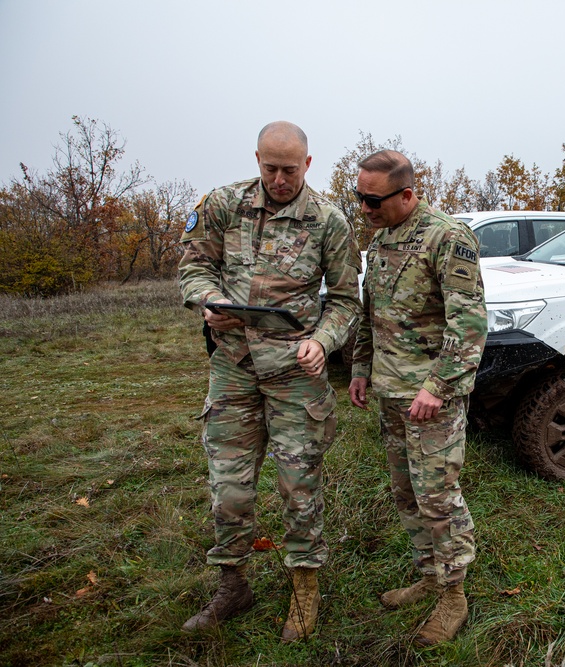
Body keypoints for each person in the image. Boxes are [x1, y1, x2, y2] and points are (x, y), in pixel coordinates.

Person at [177, 121, 361, 641]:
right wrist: (208, 301)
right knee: (228, 488)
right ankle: (232, 584)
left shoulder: (328, 220)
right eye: (270, 168)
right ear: (256, 159)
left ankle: (305, 589)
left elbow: (347, 300)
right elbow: (193, 265)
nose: (279, 179)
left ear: (308, 164)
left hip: (294, 375)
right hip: (232, 367)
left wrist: (323, 341)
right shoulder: (222, 204)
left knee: (299, 487)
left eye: (289, 169)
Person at [348, 150, 487, 646]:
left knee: (437, 497)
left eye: (372, 199)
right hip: (389, 391)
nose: (364, 207)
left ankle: (453, 595)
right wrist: (362, 368)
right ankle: (428, 574)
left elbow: (468, 325)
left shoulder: (448, 238)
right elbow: (371, 314)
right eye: (359, 197)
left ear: (406, 194)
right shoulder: (381, 238)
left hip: (431, 398)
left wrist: (437, 387)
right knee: (406, 491)